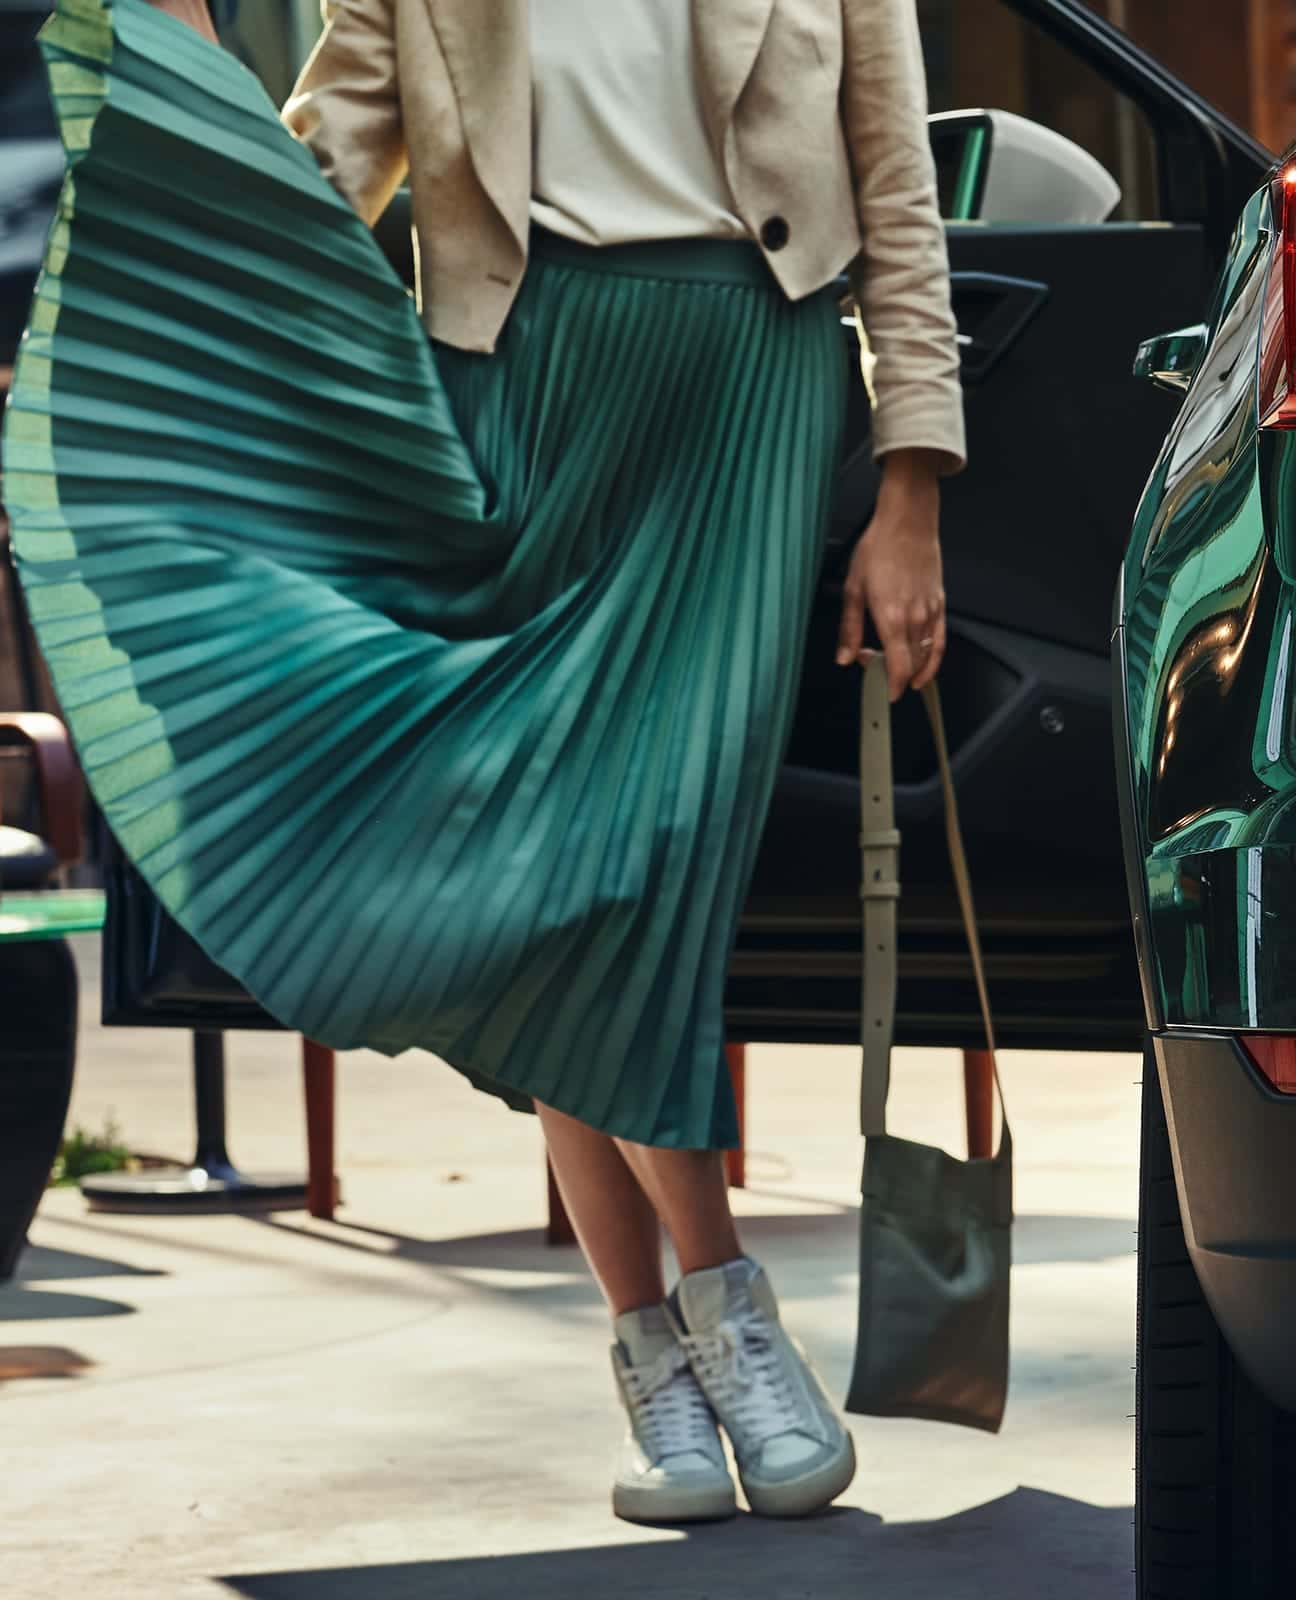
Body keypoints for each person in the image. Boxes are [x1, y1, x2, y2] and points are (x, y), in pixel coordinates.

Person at [11, 0, 965, 1523]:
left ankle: (694, 1332)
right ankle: (680, 1336)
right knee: (545, 864)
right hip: (513, 400)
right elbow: (323, 171)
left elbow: (897, 202)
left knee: (644, 863)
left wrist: (908, 494)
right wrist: (160, 267)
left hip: (747, 399)